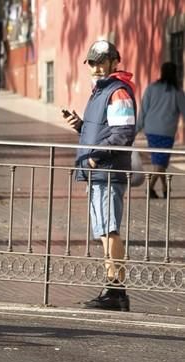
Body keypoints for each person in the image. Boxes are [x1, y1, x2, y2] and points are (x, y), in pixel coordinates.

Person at [62, 40, 136, 312]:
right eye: (91, 62)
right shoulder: (101, 91)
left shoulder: (118, 92)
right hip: (98, 171)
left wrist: (96, 156)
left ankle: (116, 290)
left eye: (100, 61)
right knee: (103, 231)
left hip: (106, 171)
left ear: (114, 61)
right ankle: (111, 288)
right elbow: (106, 131)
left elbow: (123, 133)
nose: (95, 67)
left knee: (110, 229)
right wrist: (80, 126)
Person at [136, 62, 185, 199]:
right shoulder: (177, 92)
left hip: (151, 130)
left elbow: (143, 109)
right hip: (166, 131)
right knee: (160, 161)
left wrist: (137, 127)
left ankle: (165, 188)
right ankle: (149, 187)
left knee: (159, 161)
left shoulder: (152, 88)